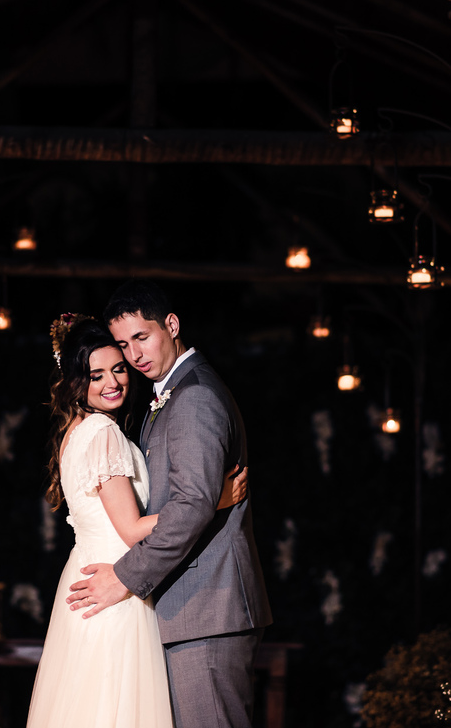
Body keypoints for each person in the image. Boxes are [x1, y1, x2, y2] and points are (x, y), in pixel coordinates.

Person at [66, 282, 273, 728]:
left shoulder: (194, 395)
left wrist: (124, 577)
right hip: (186, 608)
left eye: (142, 337)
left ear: (172, 326)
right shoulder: (168, 394)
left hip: (208, 609)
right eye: (124, 344)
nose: (134, 355)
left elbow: (192, 505)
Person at [27, 315, 246, 728]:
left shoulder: (75, 431)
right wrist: (212, 502)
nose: (112, 382)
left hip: (91, 576)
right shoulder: (103, 433)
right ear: (76, 381)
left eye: (118, 369)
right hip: (116, 586)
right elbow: (130, 530)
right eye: (96, 375)